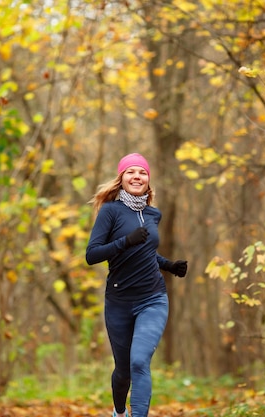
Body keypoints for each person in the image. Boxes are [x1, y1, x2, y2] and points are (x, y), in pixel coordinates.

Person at [86, 153, 188, 417]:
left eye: (142, 172)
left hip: (152, 298)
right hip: (119, 302)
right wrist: (125, 242)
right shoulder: (110, 211)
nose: (137, 177)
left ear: (148, 179)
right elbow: (92, 254)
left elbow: (145, 253)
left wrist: (168, 265)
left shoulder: (154, 214)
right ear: (121, 178)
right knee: (123, 371)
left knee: (140, 361)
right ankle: (119, 412)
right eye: (130, 172)